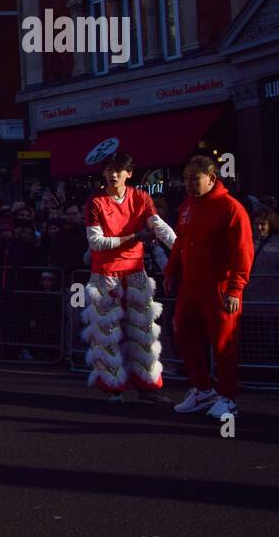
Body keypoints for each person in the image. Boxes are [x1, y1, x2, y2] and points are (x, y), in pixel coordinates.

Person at [79, 154, 177, 402]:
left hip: (135, 272)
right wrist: (133, 237)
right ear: (103, 173)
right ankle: (113, 388)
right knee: (106, 334)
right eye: (110, 170)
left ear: (129, 174)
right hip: (105, 274)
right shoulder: (95, 201)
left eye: (119, 170)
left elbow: (159, 227)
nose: (114, 175)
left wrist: (182, 249)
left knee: (144, 332)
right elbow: (96, 243)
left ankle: (148, 387)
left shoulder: (141, 197)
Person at [166, 155, 254, 420]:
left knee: (224, 343)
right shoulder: (186, 207)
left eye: (195, 179)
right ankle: (203, 389)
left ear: (212, 179)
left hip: (219, 287)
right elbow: (180, 242)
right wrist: (171, 271)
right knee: (183, 334)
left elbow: (243, 251)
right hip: (190, 286)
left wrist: (236, 289)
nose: (189, 184)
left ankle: (227, 397)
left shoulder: (231, 208)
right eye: (186, 179)